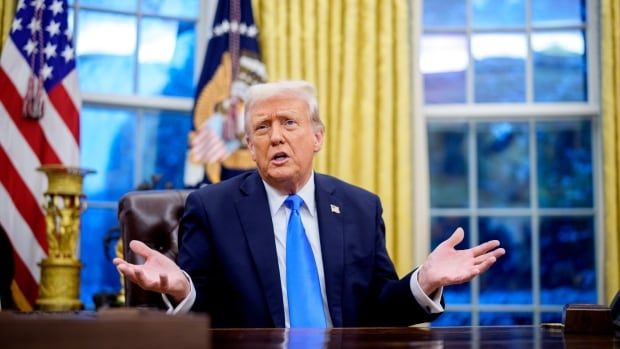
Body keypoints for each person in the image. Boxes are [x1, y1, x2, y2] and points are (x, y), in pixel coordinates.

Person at [114, 80, 505, 328]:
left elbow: (378, 310)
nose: (276, 137)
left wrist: (425, 280)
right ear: (250, 147)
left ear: (317, 137)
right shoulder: (212, 207)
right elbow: (205, 309)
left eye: (289, 122)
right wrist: (182, 288)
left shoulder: (360, 208)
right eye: (262, 128)